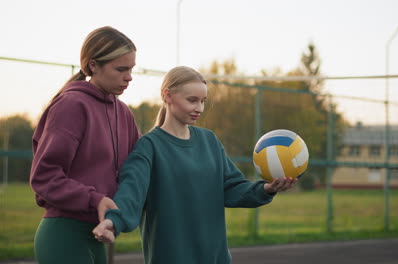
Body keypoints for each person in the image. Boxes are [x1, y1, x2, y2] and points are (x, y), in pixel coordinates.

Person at [92, 66, 297, 264]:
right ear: (168, 96)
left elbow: (232, 187)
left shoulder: (209, 141)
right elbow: (131, 193)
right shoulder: (149, 146)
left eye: (203, 101)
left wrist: (266, 189)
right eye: (192, 100)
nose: (199, 108)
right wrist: (113, 222)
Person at [29, 26, 140, 264]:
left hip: (99, 234)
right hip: (64, 234)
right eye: (121, 69)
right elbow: (44, 176)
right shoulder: (71, 106)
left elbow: (138, 169)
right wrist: (95, 200)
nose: (129, 76)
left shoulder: (124, 113)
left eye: (131, 69)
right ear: (93, 66)